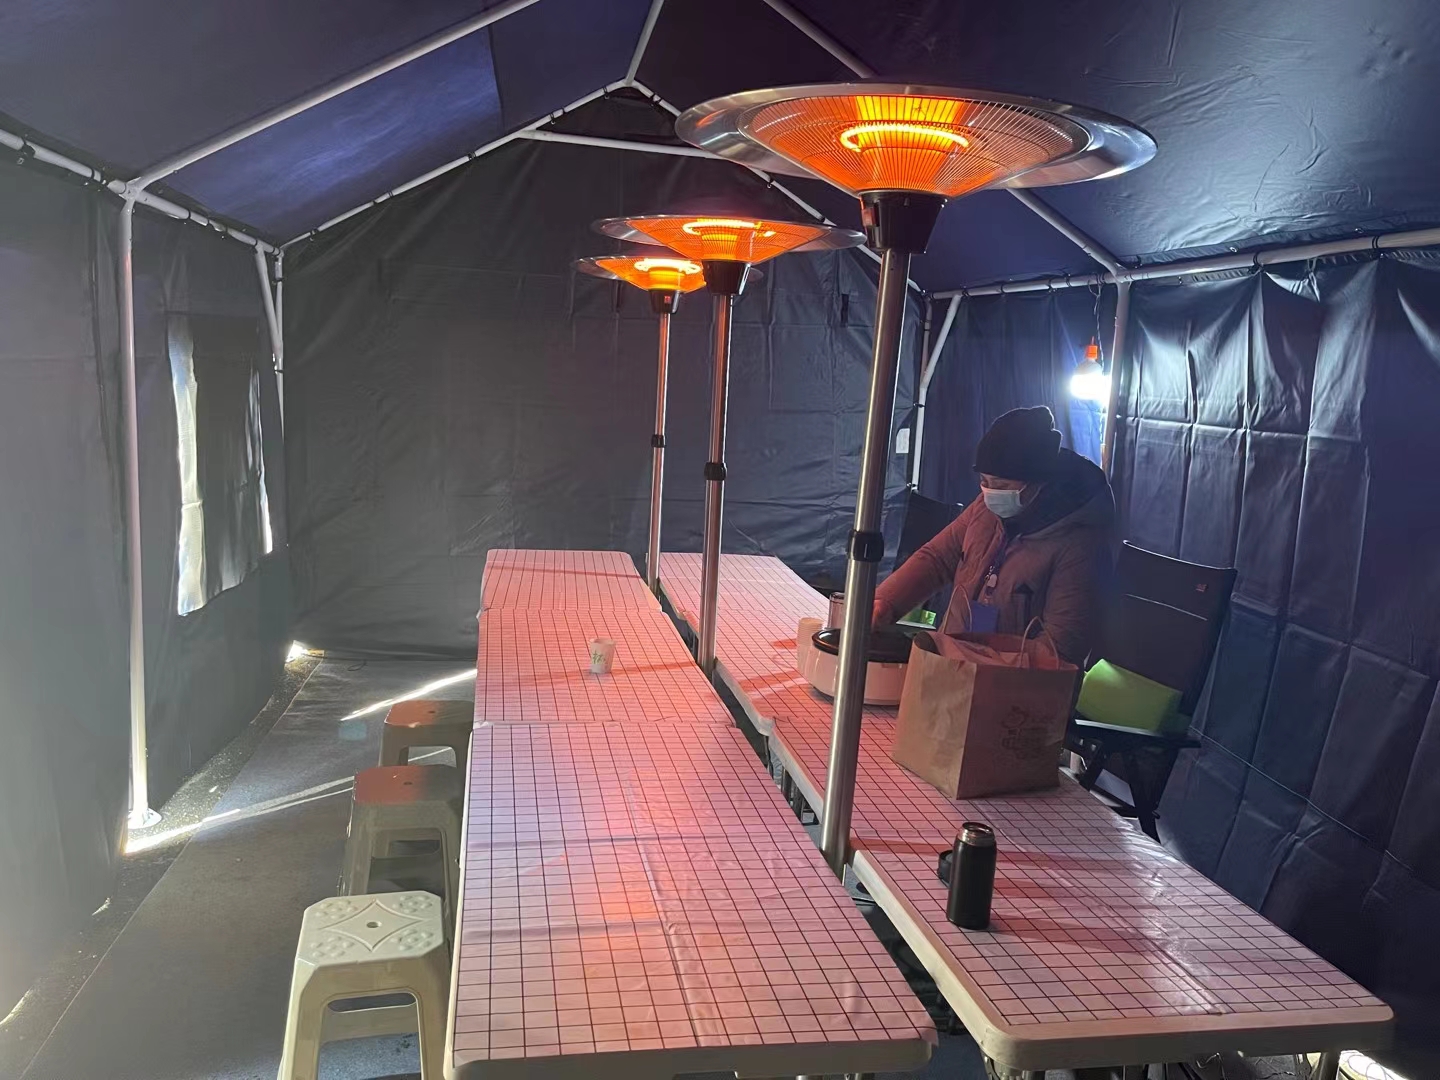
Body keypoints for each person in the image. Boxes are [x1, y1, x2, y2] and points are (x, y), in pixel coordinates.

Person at [874, 406, 1115, 665]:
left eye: (1002, 485)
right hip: (953, 667)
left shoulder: (1080, 543)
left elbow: (1061, 649)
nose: (990, 493)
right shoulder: (985, 510)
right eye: (984, 482)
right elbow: (937, 559)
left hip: (1015, 684)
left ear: (1038, 483)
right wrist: (885, 602)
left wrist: (974, 659)